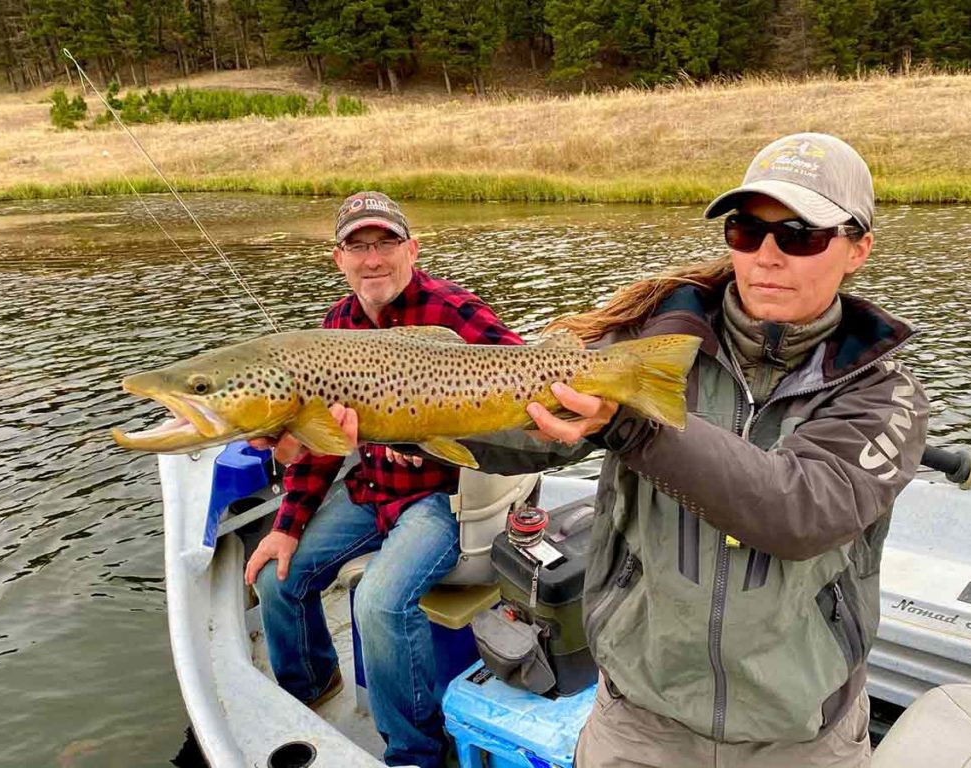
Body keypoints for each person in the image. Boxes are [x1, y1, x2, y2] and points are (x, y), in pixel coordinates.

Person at [305, 134, 929, 767]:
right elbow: (528, 438)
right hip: (638, 714)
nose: (767, 256)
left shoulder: (882, 390)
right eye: (746, 231)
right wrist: (395, 419)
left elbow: (798, 512)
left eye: (799, 234)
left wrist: (631, 424)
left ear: (857, 250)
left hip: (801, 731)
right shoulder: (645, 339)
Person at [244, 190, 522, 768]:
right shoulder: (335, 327)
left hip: (442, 501)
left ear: (412, 249)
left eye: (386, 243)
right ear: (338, 259)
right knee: (276, 576)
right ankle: (309, 691)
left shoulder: (453, 310)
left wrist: (434, 444)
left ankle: (415, 752)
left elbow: (520, 383)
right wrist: (286, 526)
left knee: (377, 602)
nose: (373, 259)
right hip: (369, 491)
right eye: (358, 246)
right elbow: (322, 445)